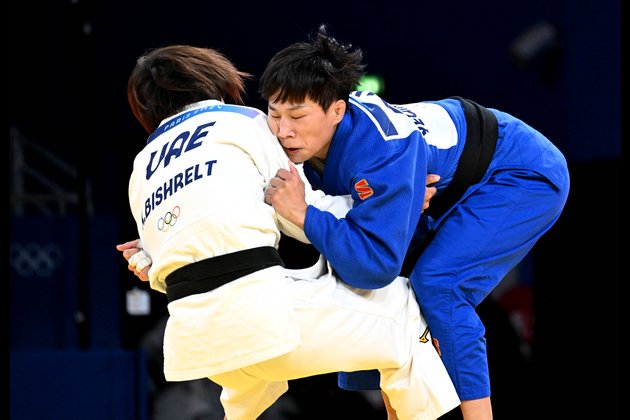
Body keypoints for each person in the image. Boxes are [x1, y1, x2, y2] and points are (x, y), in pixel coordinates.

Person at [118, 44, 460, 420]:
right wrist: (396, 198)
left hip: (198, 344)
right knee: (404, 312)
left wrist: (153, 260)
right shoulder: (240, 122)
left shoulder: (141, 168)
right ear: (214, 81)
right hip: (258, 317)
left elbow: (158, 266)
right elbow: (296, 211)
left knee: (246, 399)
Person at [260, 25, 570, 420]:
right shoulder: (281, 140)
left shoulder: (378, 152)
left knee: (439, 284)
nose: (284, 129)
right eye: (275, 114)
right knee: (368, 297)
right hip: (456, 174)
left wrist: (304, 213)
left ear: (338, 109)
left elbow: (373, 267)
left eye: (297, 116)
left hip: (519, 172)